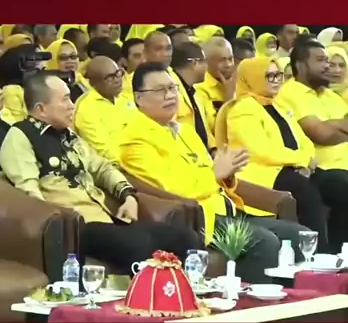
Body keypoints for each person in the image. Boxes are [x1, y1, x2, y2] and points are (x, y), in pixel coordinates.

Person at [117, 63, 308, 283]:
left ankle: (294, 300)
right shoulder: (135, 138)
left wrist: (228, 174)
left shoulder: (184, 131)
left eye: (172, 88)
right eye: (160, 90)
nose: (170, 95)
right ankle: (250, 302)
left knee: (296, 235)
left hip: (226, 208)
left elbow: (209, 171)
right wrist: (216, 174)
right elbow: (171, 188)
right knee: (264, 242)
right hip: (200, 220)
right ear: (139, 98)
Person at [0, 71, 199, 274]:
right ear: (41, 109)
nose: (72, 105)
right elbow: (28, 192)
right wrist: (58, 222)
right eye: (65, 99)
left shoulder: (68, 135)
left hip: (105, 218)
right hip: (75, 226)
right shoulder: (21, 136)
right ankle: (144, 294)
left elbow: (102, 168)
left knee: (185, 238)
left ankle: (184, 291)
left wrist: (128, 196)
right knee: (139, 244)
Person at [220, 57, 328, 251]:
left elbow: (304, 140)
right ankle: (318, 253)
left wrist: (306, 160)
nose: (276, 80)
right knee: (305, 190)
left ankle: (339, 248)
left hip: (294, 166)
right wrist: (301, 160)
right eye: (269, 76)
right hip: (263, 172)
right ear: (253, 78)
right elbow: (262, 151)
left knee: (336, 182)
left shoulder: (279, 106)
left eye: (278, 75)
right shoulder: (242, 110)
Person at [277, 37, 348, 251]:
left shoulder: (331, 95)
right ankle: (336, 253)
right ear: (300, 65)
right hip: (322, 170)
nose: (327, 66)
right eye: (320, 60)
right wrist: (333, 126)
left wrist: (334, 125)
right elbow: (321, 134)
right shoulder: (290, 93)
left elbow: (331, 128)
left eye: (327, 60)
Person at [73, 56, 136, 161]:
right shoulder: (87, 109)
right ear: (93, 83)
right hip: (119, 165)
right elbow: (104, 151)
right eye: (110, 77)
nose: (117, 80)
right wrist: (135, 161)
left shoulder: (125, 98)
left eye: (118, 73)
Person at [170, 42, 213, 148]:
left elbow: (204, 128)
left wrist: (213, 149)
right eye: (204, 61)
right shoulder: (170, 90)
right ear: (194, 63)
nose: (207, 67)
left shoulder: (195, 91)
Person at [0, 43, 51, 124]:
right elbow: (18, 123)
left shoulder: (38, 87)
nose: (42, 64)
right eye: (37, 60)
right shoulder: (11, 91)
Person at [195, 38, 236, 133]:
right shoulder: (200, 88)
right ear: (206, 62)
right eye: (222, 60)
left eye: (230, 59)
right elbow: (215, 128)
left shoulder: (237, 81)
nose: (228, 65)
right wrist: (228, 100)